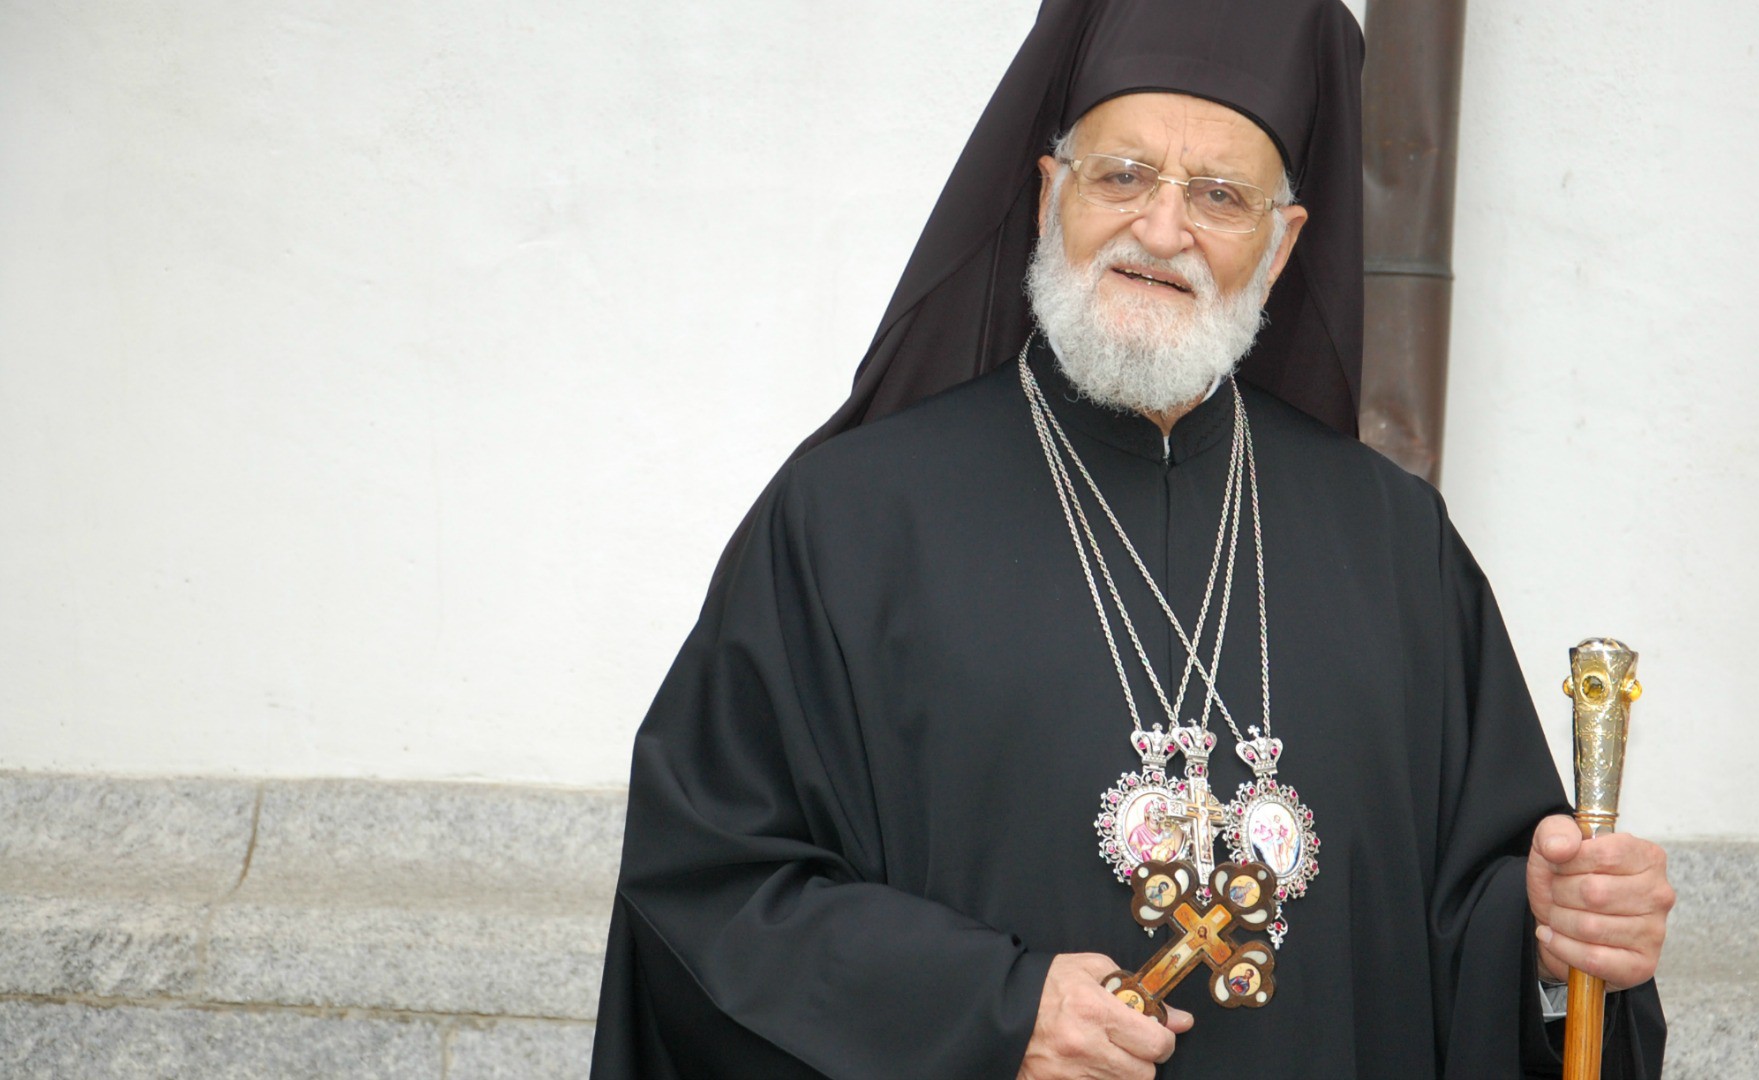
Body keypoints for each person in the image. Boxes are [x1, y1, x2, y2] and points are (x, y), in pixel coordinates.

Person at [591, 1, 1675, 1077]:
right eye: (1120, 177)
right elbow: (711, 894)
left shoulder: (1395, 546)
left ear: (1284, 240)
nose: (1162, 231)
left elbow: (1467, 916)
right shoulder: (849, 522)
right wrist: (992, 1013)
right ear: (1050, 190)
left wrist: (1551, 941)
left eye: (1219, 195)